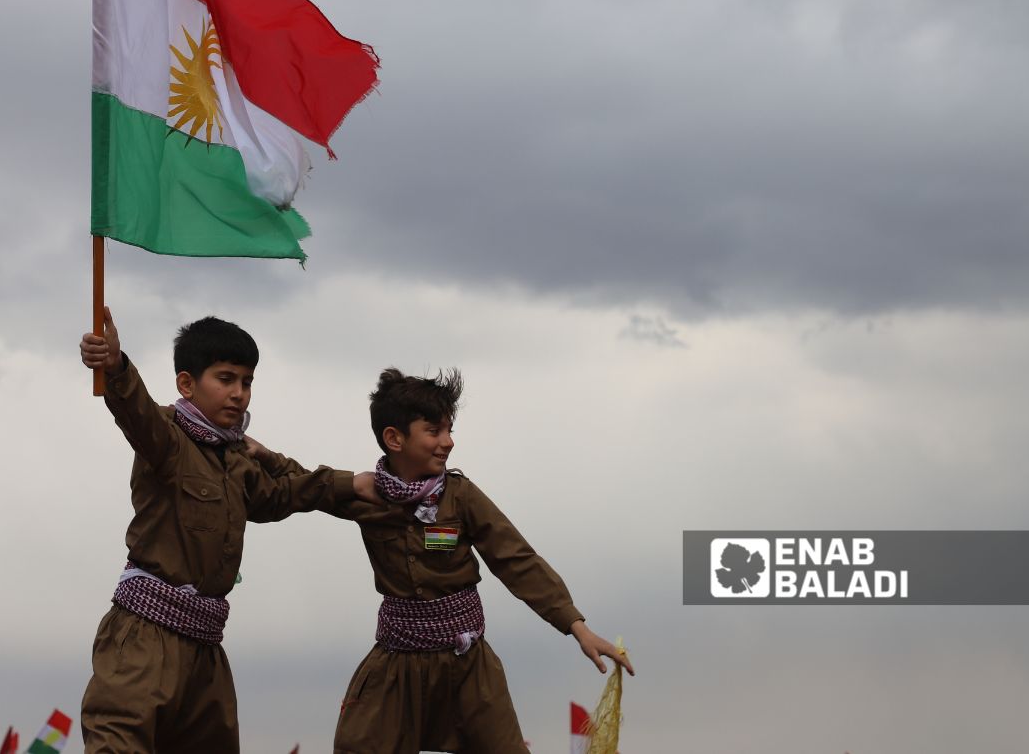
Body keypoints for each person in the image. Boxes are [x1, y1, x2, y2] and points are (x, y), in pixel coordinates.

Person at [249, 367, 635, 754]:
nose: (447, 442)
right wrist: (265, 456)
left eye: (450, 430)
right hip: (396, 662)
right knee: (358, 745)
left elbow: (517, 560)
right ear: (394, 438)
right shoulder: (367, 495)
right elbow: (307, 483)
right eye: (434, 431)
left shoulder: (461, 496)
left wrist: (577, 627)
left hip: (466, 664)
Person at [78, 306, 374, 754]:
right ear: (186, 384)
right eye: (225, 378)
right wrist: (116, 367)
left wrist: (348, 482)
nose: (239, 393)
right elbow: (135, 413)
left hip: (206, 647)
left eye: (247, 381)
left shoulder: (236, 460)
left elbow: (282, 494)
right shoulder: (168, 438)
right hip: (145, 637)